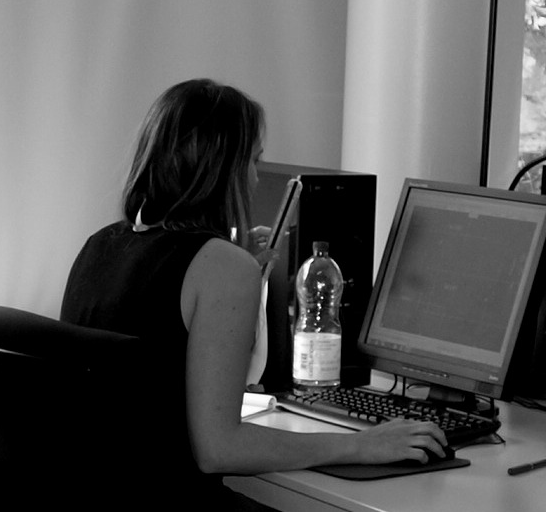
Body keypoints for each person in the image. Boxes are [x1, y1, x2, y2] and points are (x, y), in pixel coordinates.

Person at [61, 79, 448, 507]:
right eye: (252, 159)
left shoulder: (99, 246)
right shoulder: (221, 267)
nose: (256, 175)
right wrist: (362, 444)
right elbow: (219, 449)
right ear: (222, 170)